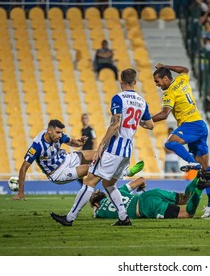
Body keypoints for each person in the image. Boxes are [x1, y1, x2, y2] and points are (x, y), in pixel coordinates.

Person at [51, 68, 154, 226]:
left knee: (89, 181)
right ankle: (123, 217)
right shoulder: (142, 102)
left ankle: (69, 218)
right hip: (127, 150)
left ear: (121, 82)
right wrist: (136, 119)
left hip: (114, 148)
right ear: (135, 82)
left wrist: (101, 145)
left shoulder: (118, 98)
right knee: (109, 184)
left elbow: (115, 124)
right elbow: (150, 125)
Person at [152, 63, 210, 218]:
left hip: (191, 125)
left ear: (166, 78)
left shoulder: (169, 93)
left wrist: (144, 119)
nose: (156, 84)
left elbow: (164, 114)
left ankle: (191, 162)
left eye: (158, 81)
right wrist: (165, 66)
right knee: (206, 169)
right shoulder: (182, 80)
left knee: (170, 143)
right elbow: (185, 69)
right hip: (201, 125)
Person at [12, 119, 93, 201]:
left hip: (66, 159)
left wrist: (80, 143)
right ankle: (93, 198)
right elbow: (23, 168)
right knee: (90, 168)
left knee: (96, 154)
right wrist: (20, 192)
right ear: (49, 131)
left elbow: (71, 142)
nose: (60, 135)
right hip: (58, 173)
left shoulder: (58, 136)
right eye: (58, 132)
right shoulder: (37, 146)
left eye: (61, 132)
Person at [90, 173, 210, 220]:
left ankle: (200, 188)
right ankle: (198, 177)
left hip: (146, 208)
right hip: (150, 194)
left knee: (187, 214)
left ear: (96, 204)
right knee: (185, 198)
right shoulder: (117, 192)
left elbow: (95, 213)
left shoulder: (99, 211)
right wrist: (141, 188)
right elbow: (141, 179)